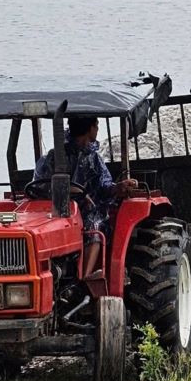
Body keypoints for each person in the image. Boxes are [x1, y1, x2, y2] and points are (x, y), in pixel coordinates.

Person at [33, 116, 138, 277]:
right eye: (96, 125)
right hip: (53, 208)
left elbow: (104, 187)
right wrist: (70, 193)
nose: (98, 129)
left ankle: (85, 277)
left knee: (93, 225)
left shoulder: (93, 158)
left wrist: (118, 187)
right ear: (90, 129)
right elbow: (41, 185)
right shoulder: (54, 158)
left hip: (86, 210)